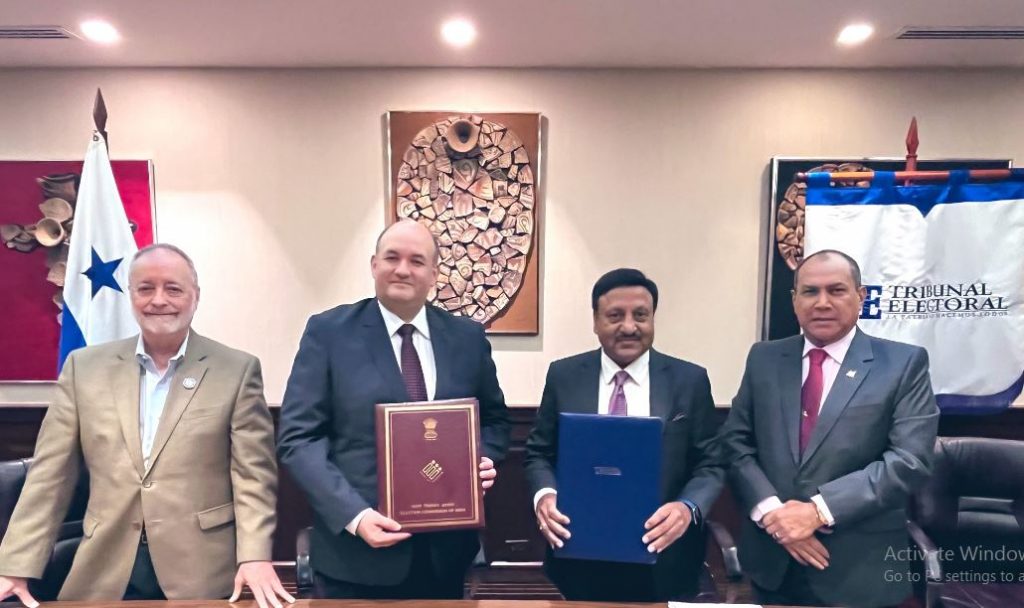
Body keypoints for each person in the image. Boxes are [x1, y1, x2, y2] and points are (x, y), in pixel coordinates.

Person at [0, 244, 291, 608]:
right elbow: (50, 475)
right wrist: (15, 565)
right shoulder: (83, 368)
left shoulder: (236, 370)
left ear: (195, 297)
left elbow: (253, 477)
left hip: (200, 569)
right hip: (103, 568)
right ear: (130, 295)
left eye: (173, 288)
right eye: (145, 288)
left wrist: (254, 555)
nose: (159, 300)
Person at [277, 219, 510, 599]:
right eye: (392, 257)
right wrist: (354, 516)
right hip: (355, 557)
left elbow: (496, 421)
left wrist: (480, 459)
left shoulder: (467, 337)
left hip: (445, 559)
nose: (403, 269)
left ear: (434, 274)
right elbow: (299, 439)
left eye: (417, 261)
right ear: (374, 265)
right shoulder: (329, 332)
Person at [720, 249, 939, 607]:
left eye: (836, 290)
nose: (822, 303)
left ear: (861, 296)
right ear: (794, 300)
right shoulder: (765, 358)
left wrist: (817, 511)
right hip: (772, 565)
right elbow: (735, 442)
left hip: (859, 573)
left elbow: (909, 460)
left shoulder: (904, 364)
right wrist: (775, 515)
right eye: (810, 291)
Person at [524, 268, 722, 601]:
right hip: (579, 556)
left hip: (666, 558)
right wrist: (544, 495)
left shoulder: (689, 380)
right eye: (615, 315)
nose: (629, 327)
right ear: (596, 321)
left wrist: (687, 508)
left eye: (640, 316)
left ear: (653, 319)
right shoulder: (564, 375)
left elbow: (711, 464)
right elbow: (539, 454)